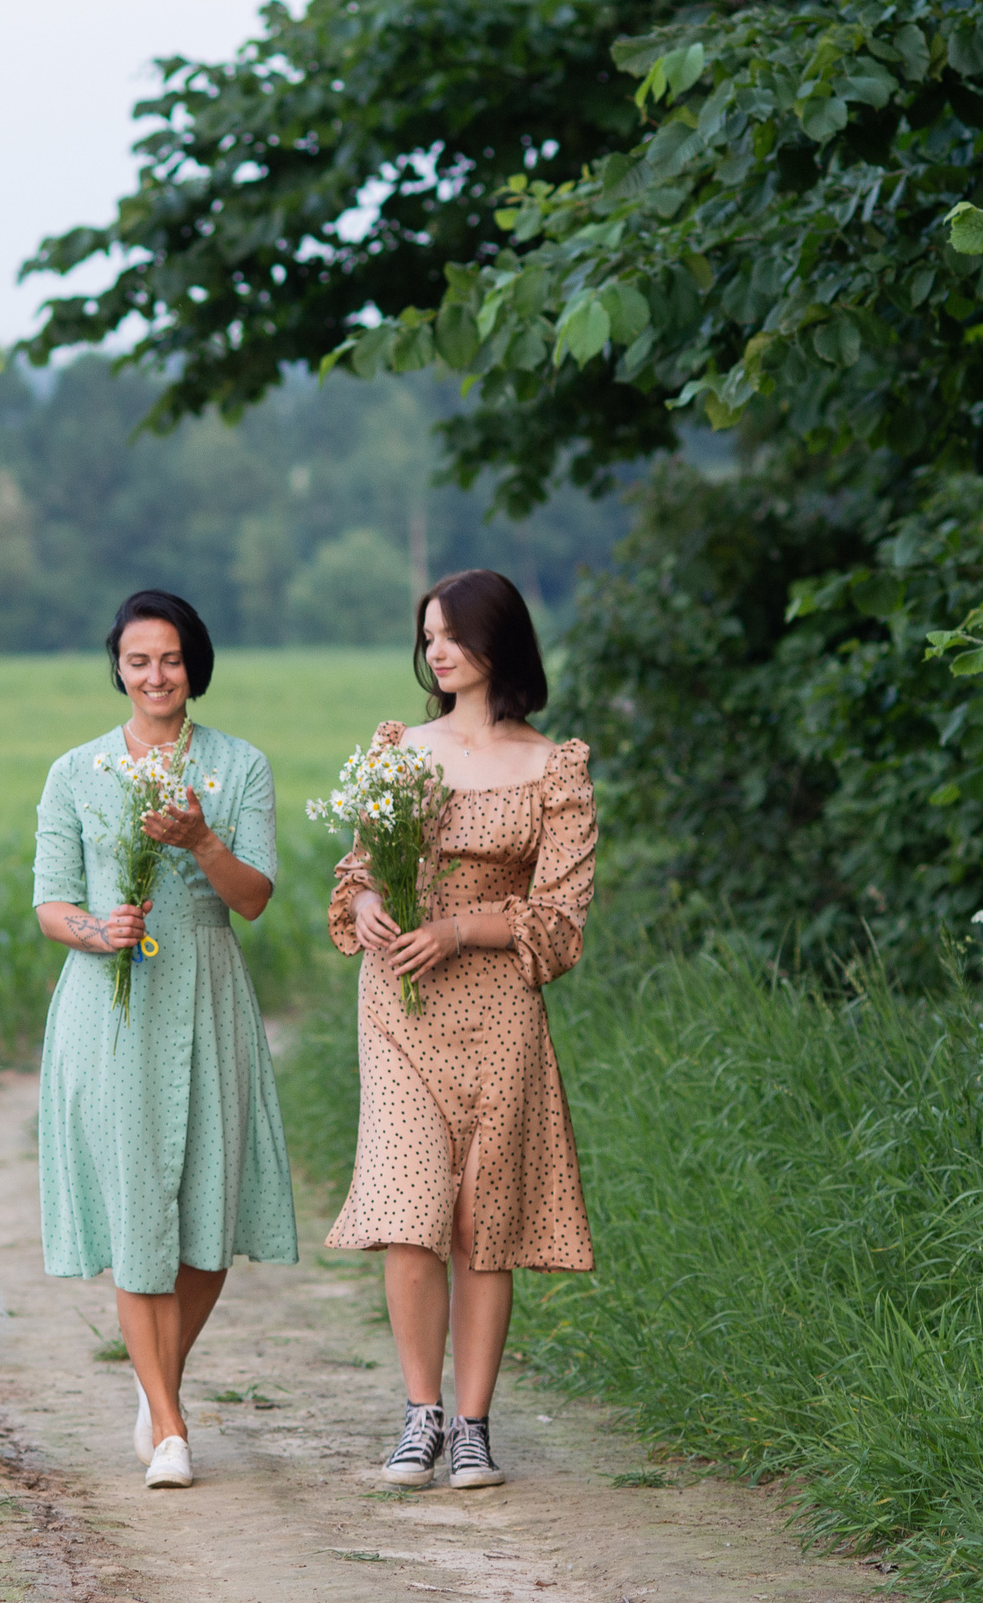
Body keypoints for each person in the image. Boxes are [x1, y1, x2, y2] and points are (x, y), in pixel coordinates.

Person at [326, 567, 598, 1490]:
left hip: (500, 1011)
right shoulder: (398, 747)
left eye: (451, 635)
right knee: (411, 1212)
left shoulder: (554, 765)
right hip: (400, 1003)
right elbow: (357, 866)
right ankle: (420, 1416)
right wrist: (364, 902)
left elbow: (561, 920)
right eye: (428, 635)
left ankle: (475, 1427)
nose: (435, 651)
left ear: (499, 644)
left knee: (486, 1222)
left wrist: (460, 929)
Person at [31, 588, 298, 1489]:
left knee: (207, 1224)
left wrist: (201, 838)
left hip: (208, 992)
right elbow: (49, 902)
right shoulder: (76, 770)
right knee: (138, 1208)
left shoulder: (240, 765)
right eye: (139, 659)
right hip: (110, 1003)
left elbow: (255, 896)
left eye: (172, 659)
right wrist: (93, 929)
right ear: (117, 665)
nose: (156, 675)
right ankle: (174, 1428)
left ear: (196, 665)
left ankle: (156, 1386)